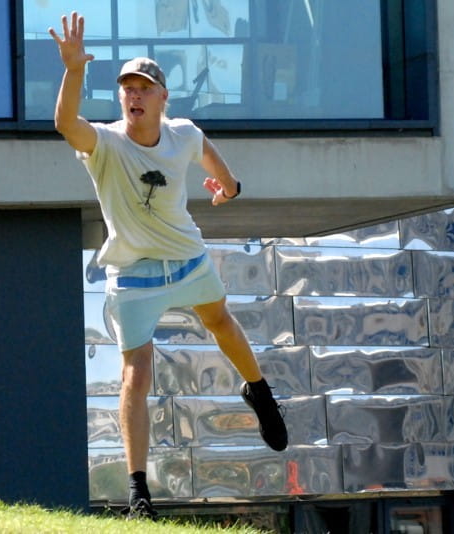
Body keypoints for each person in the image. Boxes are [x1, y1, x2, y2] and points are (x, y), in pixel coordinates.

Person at [49, 12, 288, 520]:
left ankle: (259, 392)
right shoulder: (106, 145)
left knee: (220, 319)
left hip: (185, 258)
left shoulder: (184, 134)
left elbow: (216, 163)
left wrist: (229, 188)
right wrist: (73, 70)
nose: (133, 96)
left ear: (162, 98)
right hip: (133, 274)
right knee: (136, 375)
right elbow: (67, 124)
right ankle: (139, 492)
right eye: (126, 89)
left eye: (144, 88)